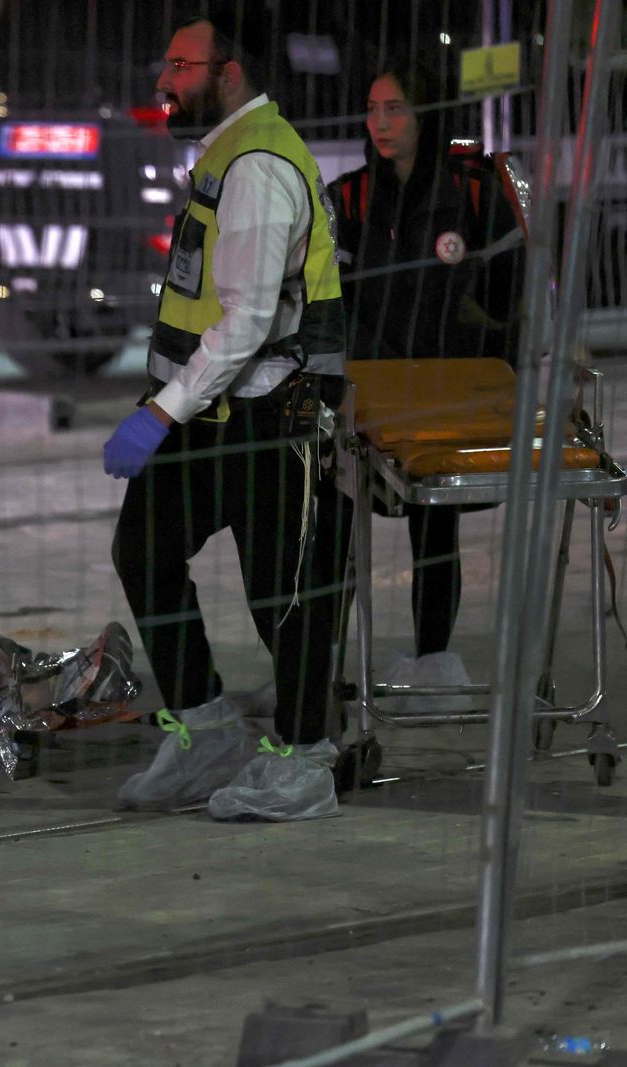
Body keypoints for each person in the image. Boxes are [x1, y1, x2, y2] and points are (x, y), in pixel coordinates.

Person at [101, 6, 349, 819]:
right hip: (212, 408)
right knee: (144, 550)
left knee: (283, 594)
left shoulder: (259, 166)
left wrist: (158, 414)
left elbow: (245, 320)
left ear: (228, 73)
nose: (163, 80)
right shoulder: (227, 154)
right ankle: (208, 729)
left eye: (180, 66)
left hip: (271, 412)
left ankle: (307, 761)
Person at [327, 59, 526, 678]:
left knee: (434, 533)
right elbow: (331, 301)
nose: (381, 123)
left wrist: (480, 362)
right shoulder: (350, 198)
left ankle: (434, 662)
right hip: (370, 398)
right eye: (373, 109)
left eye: (397, 109)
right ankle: (328, 662)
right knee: (339, 528)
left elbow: (508, 298)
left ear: (426, 115)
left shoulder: (472, 194)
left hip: (443, 401)